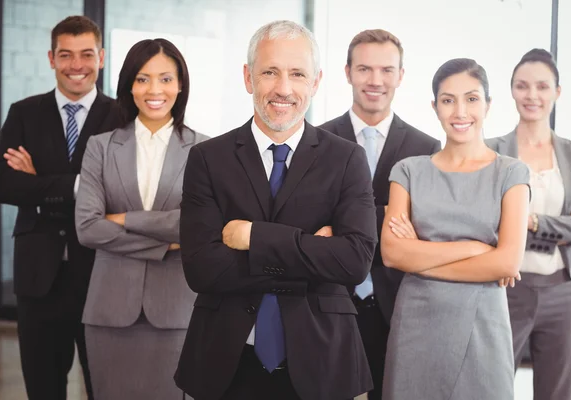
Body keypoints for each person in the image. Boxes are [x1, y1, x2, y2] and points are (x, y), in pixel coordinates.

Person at [174, 20, 377, 400]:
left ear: (315, 83)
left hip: (322, 361)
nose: (283, 88)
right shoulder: (208, 159)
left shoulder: (347, 158)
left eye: (297, 74)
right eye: (270, 72)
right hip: (227, 363)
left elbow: (354, 262)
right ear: (249, 77)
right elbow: (201, 268)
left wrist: (253, 237)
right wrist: (313, 255)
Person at [380, 58, 530, 400]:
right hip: (417, 325)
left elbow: (507, 264)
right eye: (448, 100)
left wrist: (420, 256)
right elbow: (392, 253)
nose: (460, 111)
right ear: (434, 107)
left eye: (472, 98)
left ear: (488, 104)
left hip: (483, 327)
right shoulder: (408, 171)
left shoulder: (511, 173)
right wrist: (477, 249)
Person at [74, 38, 208, 399]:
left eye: (166, 79)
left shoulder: (204, 150)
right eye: (143, 78)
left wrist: (120, 220)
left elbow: (194, 227)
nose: (154, 90)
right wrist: (166, 241)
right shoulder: (101, 147)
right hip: (108, 311)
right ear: (129, 85)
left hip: (176, 312)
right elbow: (87, 227)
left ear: (180, 85)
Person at [0, 15, 120, 400]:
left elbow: (120, 191)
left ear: (100, 56)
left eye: (86, 54)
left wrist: (39, 181)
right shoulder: (23, 112)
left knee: (104, 384)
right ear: (51, 58)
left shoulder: (121, 117)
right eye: (65, 55)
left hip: (101, 272)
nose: (76, 65)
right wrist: (83, 184)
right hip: (38, 277)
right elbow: (5, 183)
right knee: (42, 387)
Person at [318, 29, 440, 400]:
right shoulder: (318, 141)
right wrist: (388, 216)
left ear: (401, 76)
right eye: (365, 69)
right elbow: (308, 222)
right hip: (330, 301)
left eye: (387, 70)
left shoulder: (426, 149)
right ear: (347, 72)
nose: (375, 81)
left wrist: (343, 224)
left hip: (397, 305)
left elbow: (424, 228)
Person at [486, 48, 571, 400]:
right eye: (522, 86)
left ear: (557, 92)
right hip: (504, 291)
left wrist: (532, 222)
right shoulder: (492, 152)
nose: (532, 95)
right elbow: (487, 225)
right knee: (491, 387)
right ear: (511, 90)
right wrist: (565, 227)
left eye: (542, 87)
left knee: (558, 394)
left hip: (565, 292)